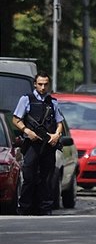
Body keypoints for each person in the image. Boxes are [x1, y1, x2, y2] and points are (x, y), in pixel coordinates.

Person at [12, 71, 64, 215]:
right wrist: (27, 131)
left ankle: (45, 208)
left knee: (46, 178)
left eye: (45, 84)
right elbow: (16, 119)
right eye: (40, 84)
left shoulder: (52, 102)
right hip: (32, 145)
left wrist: (56, 135)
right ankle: (24, 208)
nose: (42, 87)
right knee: (29, 177)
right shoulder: (26, 99)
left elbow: (60, 123)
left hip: (48, 145)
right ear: (35, 84)